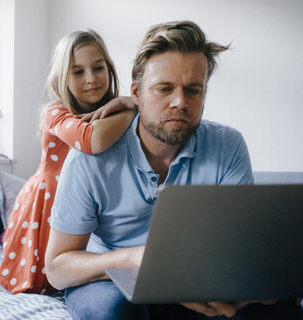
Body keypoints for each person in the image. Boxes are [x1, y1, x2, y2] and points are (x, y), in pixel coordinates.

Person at [45, 21, 303, 319]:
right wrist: (134, 259)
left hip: (197, 276)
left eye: (194, 90)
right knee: (114, 312)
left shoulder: (228, 146)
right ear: (136, 94)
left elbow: (237, 250)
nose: (180, 102)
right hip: (112, 278)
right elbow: (57, 268)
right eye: (164, 89)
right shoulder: (87, 159)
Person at [0, 29, 137, 295]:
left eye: (98, 67)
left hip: (90, 202)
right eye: (78, 71)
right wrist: (131, 108)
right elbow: (90, 140)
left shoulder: (114, 116)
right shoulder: (55, 113)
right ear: (63, 77)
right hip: (49, 199)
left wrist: (127, 104)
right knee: (43, 281)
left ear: (109, 68)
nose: (91, 78)